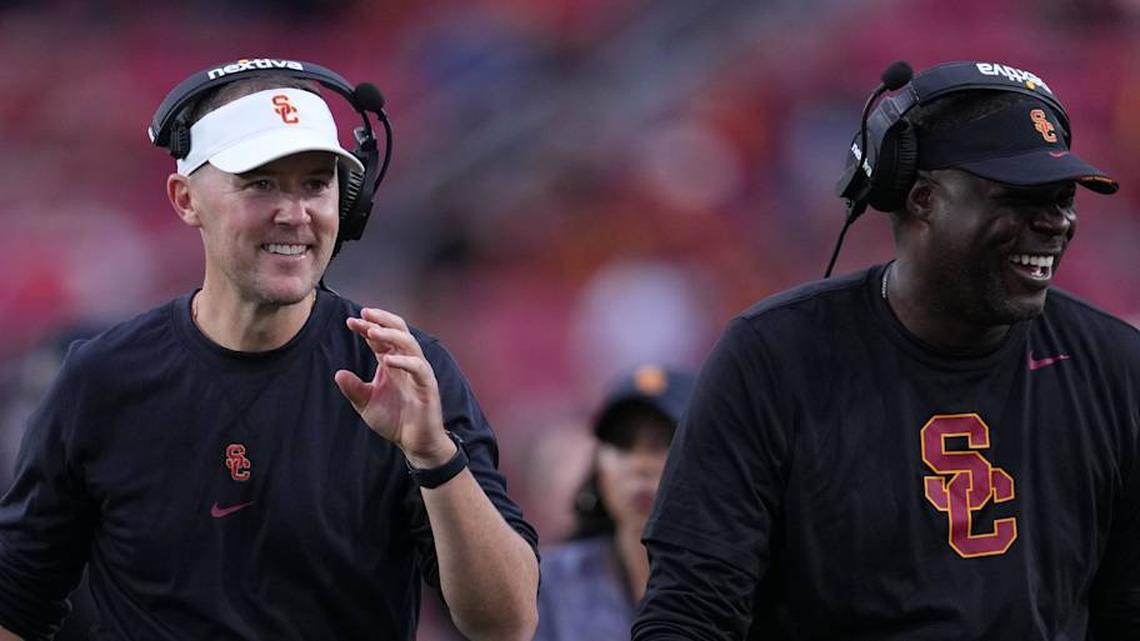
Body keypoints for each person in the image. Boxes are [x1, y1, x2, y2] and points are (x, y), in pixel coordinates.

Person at [0, 60, 539, 641]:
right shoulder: (102, 379)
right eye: (261, 183)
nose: (295, 213)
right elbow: (17, 601)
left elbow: (507, 625)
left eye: (316, 184)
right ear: (186, 199)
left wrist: (434, 456)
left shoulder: (402, 372)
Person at [633, 61, 1140, 640]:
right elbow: (691, 612)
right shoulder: (775, 359)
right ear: (922, 198)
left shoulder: (1113, 367)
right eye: (1022, 197)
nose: (1056, 223)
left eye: (1063, 197)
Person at [535, 365, 695, 641]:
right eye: (622, 444)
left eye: (663, 442)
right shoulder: (547, 586)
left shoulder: (749, 586)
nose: (639, 464)